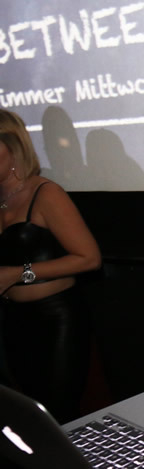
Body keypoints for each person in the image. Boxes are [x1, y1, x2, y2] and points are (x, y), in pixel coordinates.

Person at [0, 108, 102, 423]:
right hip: (11, 319)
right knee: (27, 415)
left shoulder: (45, 192)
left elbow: (89, 258)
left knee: (58, 413)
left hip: (55, 318)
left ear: (12, 146)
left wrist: (19, 273)